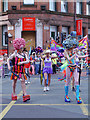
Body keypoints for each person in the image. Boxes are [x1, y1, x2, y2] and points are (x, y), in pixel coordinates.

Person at [62, 35, 88, 104]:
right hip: (68, 67)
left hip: (74, 67)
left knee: (76, 81)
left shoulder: (74, 50)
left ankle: (78, 97)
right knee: (67, 81)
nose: (73, 47)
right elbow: (69, 58)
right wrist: (74, 54)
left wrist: (86, 56)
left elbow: (79, 56)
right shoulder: (65, 51)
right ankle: (66, 96)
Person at [7, 38, 30, 102]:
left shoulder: (24, 54)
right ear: (18, 47)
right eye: (21, 48)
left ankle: (25, 94)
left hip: (21, 70)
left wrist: (22, 62)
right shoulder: (15, 54)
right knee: (14, 82)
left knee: (23, 81)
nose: (22, 49)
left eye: (22, 48)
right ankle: (14, 93)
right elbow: (8, 59)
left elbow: (28, 61)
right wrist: (9, 66)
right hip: (15, 70)